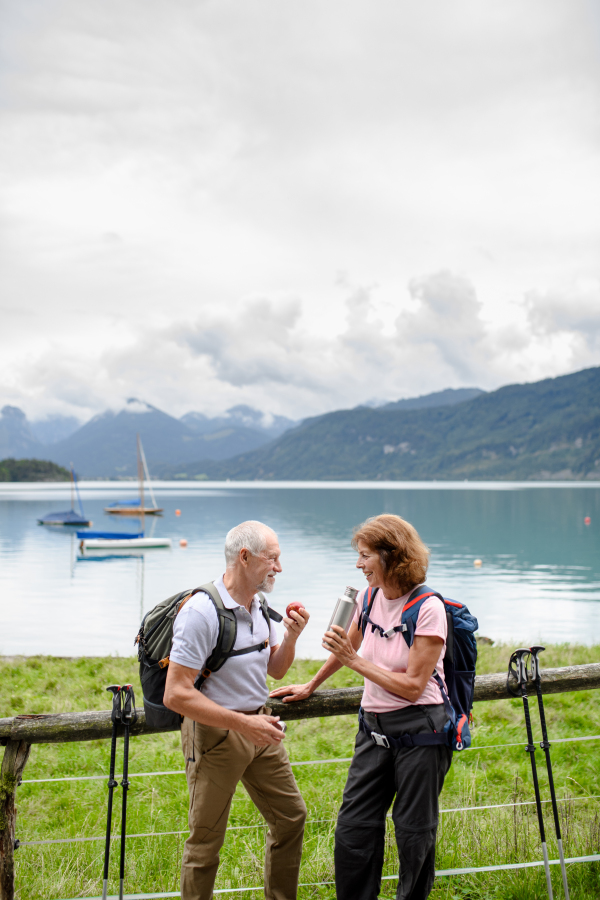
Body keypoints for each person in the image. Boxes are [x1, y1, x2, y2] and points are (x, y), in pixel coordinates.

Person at [271, 514, 452, 900]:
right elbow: (344, 651)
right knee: (354, 827)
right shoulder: (368, 599)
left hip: (421, 730)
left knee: (413, 831)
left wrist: (355, 661)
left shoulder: (429, 607)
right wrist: (311, 684)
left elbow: (413, 686)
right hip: (373, 730)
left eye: (365, 555)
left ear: (392, 555)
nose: (358, 564)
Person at [164, 520, 310, 900]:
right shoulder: (201, 611)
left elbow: (276, 668)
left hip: (261, 729)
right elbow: (176, 695)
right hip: (216, 736)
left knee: (291, 818)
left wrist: (292, 636)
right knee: (206, 841)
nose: (279, 567)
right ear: (244, 557)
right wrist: (244, 724)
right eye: (272, 558)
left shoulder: (259, 604)